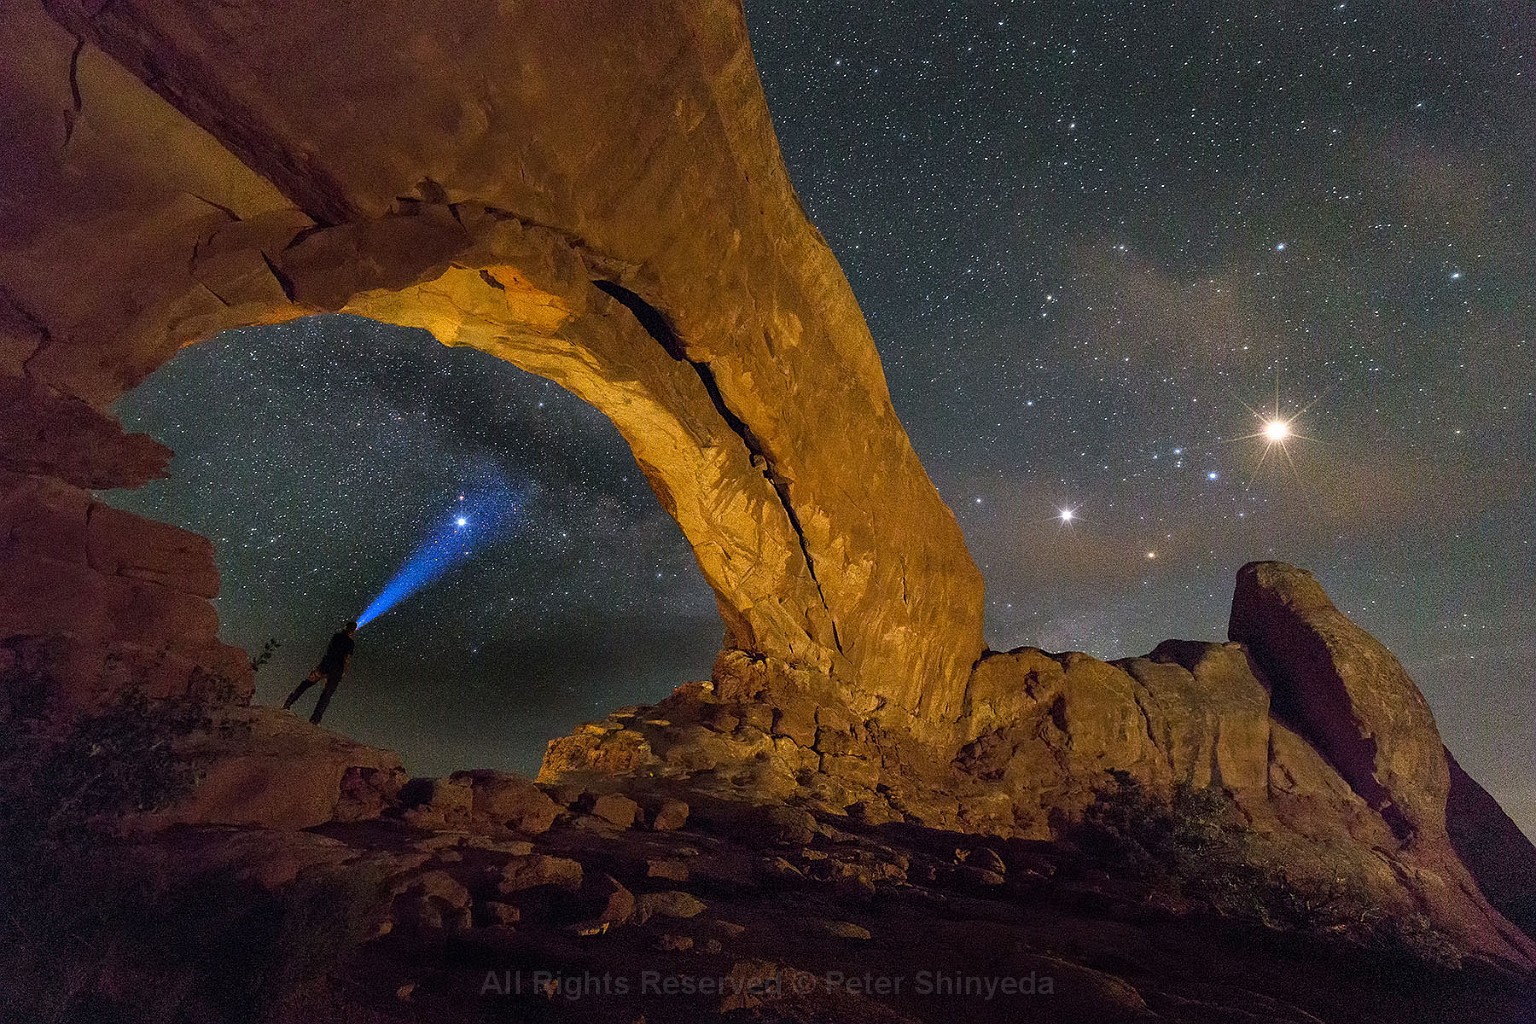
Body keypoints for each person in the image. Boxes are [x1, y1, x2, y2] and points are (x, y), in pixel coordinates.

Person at [283, 620, 357, 725]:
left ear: (345, 627)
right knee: (326, 695)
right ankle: (315, 720)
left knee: (307, 683)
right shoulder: (350, 643)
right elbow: (347, 658)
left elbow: (329, 650)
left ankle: (288, 703)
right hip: (336, 670)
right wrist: (343, 672)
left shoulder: (336, 636)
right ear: (353, 631)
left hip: (325, 665)